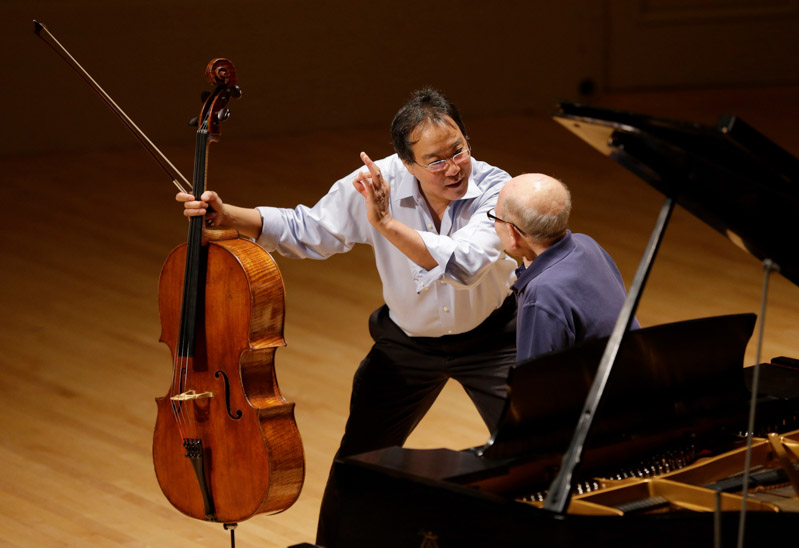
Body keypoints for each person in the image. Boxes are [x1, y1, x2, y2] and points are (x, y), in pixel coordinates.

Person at [178, 88, 518, 545]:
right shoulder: (376, 182)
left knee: (534, 450)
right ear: (406, 163)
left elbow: (466, 265)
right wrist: (229, 215)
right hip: (408, 344)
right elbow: (309, 230)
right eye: (435, 160)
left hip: (493, 340)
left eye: (458, 150)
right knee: (358, 461)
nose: (454, 167)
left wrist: (385, 225)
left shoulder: (497, 187)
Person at [491, 173, 639, 362]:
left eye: (494, 217)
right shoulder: (586, 243)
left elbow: (536, 382)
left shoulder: (541, 294)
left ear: (512, 233)